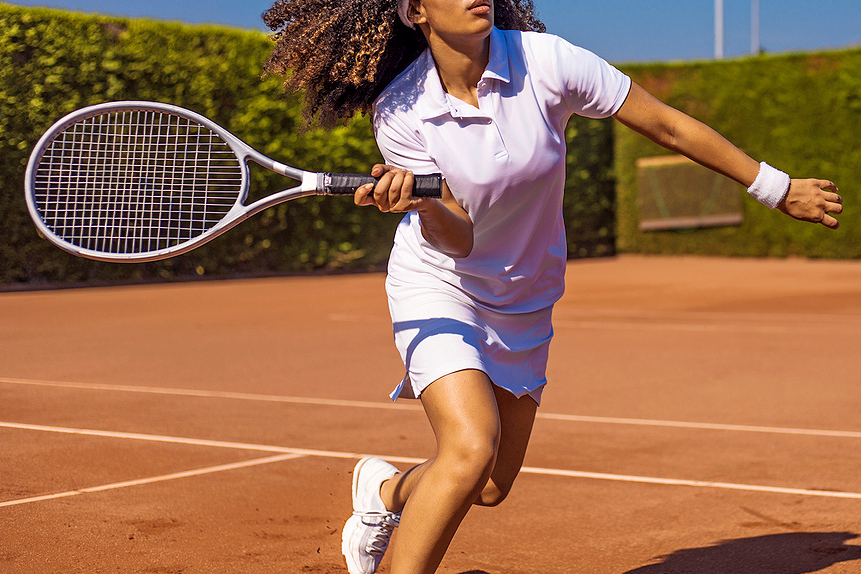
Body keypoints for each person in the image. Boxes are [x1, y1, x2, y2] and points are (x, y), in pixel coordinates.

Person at [262, 1, 844, 573]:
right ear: (416, 11)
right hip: (441, 285)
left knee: (487, 486)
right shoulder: (401, 109)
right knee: (469, 449)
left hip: (525, 296)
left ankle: (386, 492)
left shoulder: (547, 62)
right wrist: (420, 201)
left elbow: (665, 123)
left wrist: (775, 186)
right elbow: (457, 237)